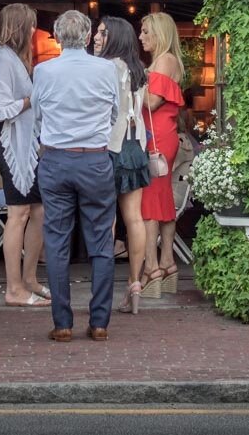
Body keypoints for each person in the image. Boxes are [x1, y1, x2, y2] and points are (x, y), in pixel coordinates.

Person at [31, 8, 120, 342]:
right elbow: (114, 112)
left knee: (56, 241)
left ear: (56, 36)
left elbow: (37, 115)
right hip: (95, 159)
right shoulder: (105, 69)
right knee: (101, 241)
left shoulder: (44, 70)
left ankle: (63, 323)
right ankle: (99, 322)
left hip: (56, 159)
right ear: (86, 37)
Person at [0, 2, 50, 307]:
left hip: (22, 144)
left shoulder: (11, 58)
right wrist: (33, 99)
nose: (34, 31)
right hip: (8, 142)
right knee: (19, 213)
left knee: (39, 211)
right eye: (30, 26)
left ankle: (29, 278)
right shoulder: (3, 59)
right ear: (19, 28)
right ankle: (14, 288)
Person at [95, 16, 152, 313]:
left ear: (114, 37)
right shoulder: (139, 69)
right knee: (135, 218)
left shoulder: (105, 68)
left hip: (111, 146)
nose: (96, 37)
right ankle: (135, 284)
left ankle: (103, 288)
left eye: (102, 33)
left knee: (108, 219)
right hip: (136, 145)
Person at [138, 10, 186, 296]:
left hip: (155, 138)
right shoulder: (168, 61)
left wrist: (128, 84)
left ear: (160, 34)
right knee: (163, 201)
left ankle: (151, 268)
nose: (141, 36)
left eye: (145, 31)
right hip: (163, 136)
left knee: (149, 204)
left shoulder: (163, 61)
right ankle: (167, 263)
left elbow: (152, 102)